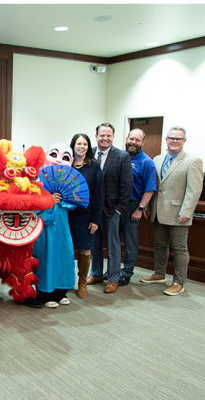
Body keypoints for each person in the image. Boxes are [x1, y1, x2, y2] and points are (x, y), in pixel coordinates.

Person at [143, 127, 203, 296]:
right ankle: (159, 274)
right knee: (159, 245)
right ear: (166, 140)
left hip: (179, 214)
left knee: (180, 249)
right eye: (171, 138)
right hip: (158, 211)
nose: (174, 141)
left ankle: (178, 282)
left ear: (184, 141)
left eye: (179, 138)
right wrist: (148, 206)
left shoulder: (193, 161)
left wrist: (186, 212)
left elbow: (194, 190)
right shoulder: (157, 159)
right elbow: (153, 186)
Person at [32, 143, 78, 307]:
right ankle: (45, 293)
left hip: (62, 227)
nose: (59, 160)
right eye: (54, 154)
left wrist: (63, 200)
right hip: (43, 226)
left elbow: (75, 202)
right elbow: (31, 204)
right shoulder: (36, 178)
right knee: (45, 257)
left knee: (63, 256)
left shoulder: (70, 180)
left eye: (65, 157)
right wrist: (49, 200)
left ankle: (61, 291)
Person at [89, 122, 133, 292]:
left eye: (108, 135)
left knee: (113, 246)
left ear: (113, 137)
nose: (105, 138)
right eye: (102, 135)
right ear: (96, 136)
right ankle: (97, 273)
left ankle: (114, 277)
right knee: (94, 244)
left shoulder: (122, 156)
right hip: (92, 210)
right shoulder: (89, 153)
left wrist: (119, 210)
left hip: (111, 210)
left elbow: (127, 187)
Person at [67, 132, 103, 300]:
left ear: (88, 147)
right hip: (66, 214)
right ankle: (67, 281)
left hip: (85, 215)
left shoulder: (94, 166)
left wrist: (95, 219)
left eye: (85, 144)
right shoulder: (66, 164)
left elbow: (98, 195)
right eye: (78, 144)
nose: (81, 147)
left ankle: (82, 282)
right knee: (66, 249)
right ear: (73, 146)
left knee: (85, 249)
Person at [120, 128, 157, 285]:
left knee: (130, 243)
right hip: (117, 206)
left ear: (142, 142)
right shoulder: (120, 157)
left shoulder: (146, 162)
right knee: (114, 240)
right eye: (131, 139)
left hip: (133, 206)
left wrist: (140, 209)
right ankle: (114, 270)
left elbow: (150, 189)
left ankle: (127, 272)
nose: (133, 142)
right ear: (127, 139)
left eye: (137, 140)